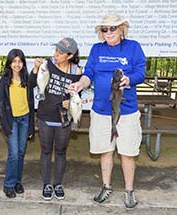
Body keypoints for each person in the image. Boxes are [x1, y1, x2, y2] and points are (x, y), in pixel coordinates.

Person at [68, 14, 146, 210]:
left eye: (113, 28)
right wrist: (80, 84)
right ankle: (106, 186)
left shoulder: (133, 47)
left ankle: (129, 191)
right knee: (105, 150)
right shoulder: (97, 49)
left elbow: (141, 73)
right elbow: (89, 74)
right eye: (105, 29)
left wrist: (129, 80)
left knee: (127, 152)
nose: (109, 32)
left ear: (121, 30)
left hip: (126, 111)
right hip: (101, 110)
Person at [30, 37, 82, 200]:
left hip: (63, 119)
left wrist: (71, 100)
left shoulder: (76, 71)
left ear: (70, 55)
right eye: (56, 51)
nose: (56, 54)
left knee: (60, 151)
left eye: (60, 52)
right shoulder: (47, 65)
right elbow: (32, 84)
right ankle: (46, 184)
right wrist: (35, 69)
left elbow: (77, 93)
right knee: (46, 151)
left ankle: (58, 184)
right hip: (45, 116)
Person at [0, 49, 35, 198]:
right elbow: (0, 104)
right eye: (14, 61)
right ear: (9, 63)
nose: (17, 64)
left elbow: (31, 103)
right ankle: (9, 184)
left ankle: (18, 181)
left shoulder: (26, 79)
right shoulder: (5, 80)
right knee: (13, 154)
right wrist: (6, 126)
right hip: (11, 120)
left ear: (23, 63)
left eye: (19, 61)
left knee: (20, 152)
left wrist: (31, 125)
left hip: (25, 119)